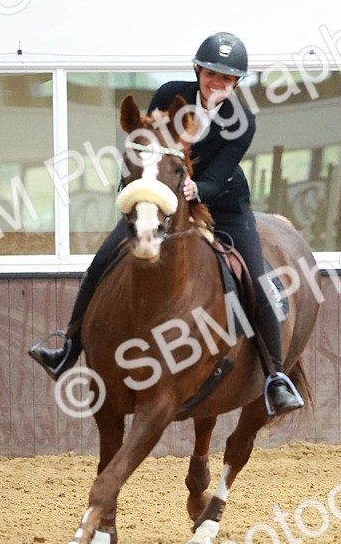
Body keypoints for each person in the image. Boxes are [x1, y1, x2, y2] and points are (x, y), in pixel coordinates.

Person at [29, 32, 304, 415]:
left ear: (237, 82)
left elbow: (221, 171)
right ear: (198, 70)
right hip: (159, 197)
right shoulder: (169, 95)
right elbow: (146, 146)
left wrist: (196, 188)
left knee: (257, 279)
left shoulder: (243, 120)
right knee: (103, 260)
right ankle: (68, 349)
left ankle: (275, 376)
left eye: (227, 79)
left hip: (222, 201)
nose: (218, 84)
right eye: (211, 74)